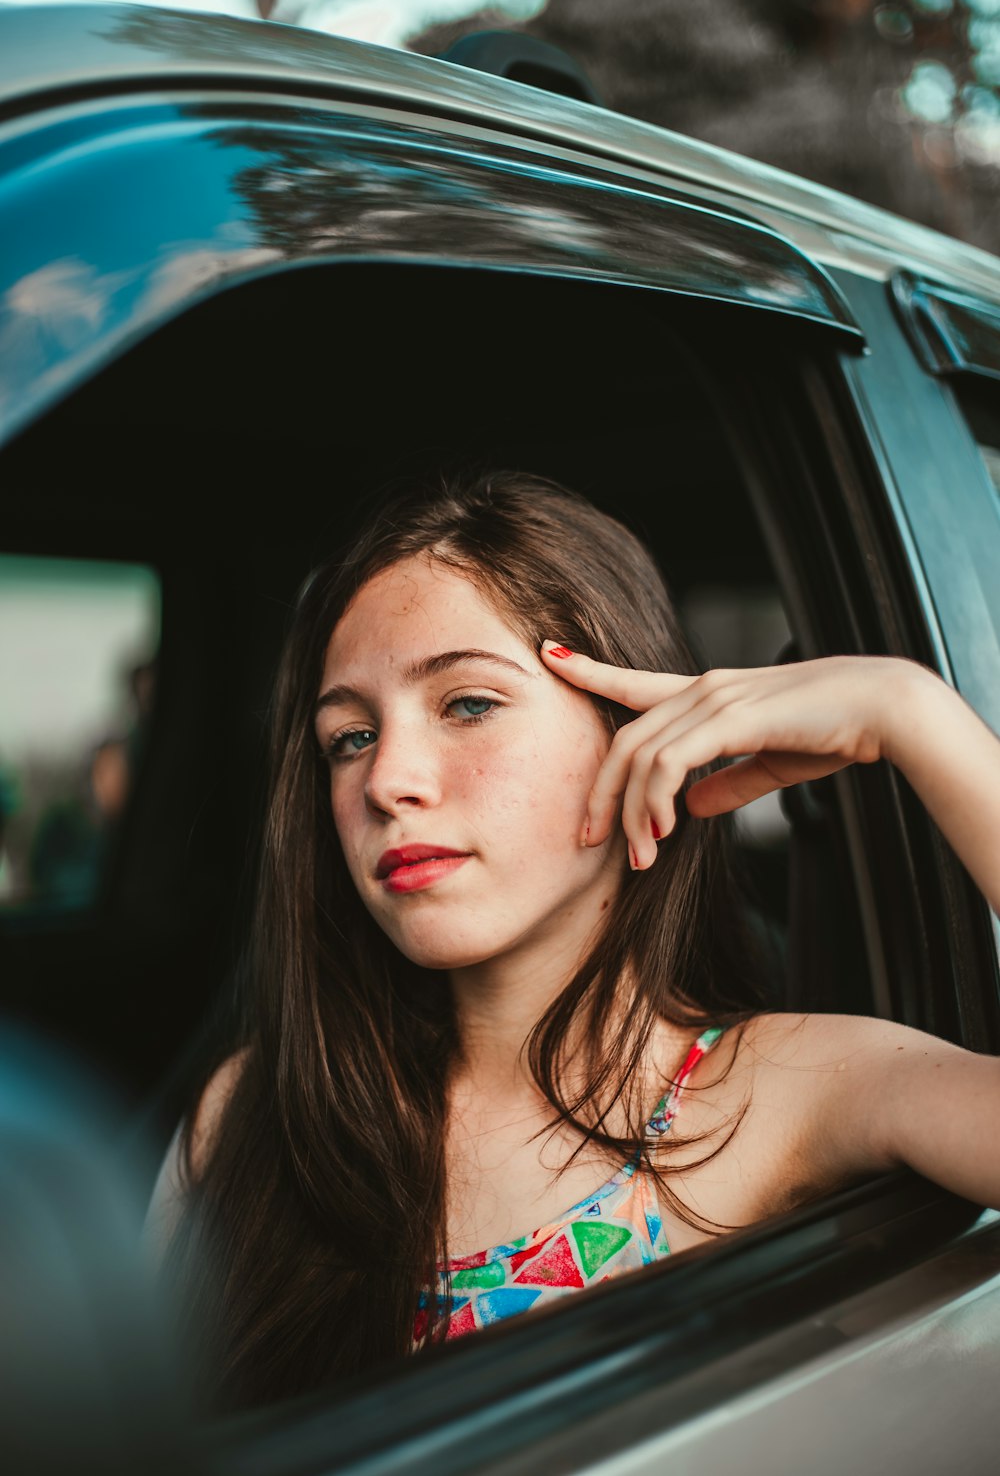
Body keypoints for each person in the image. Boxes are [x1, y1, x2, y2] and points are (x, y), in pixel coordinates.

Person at [149, 470, 1000, 1413]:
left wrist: (908, 713)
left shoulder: (797, 1090)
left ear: (640, 733)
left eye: (467, 705)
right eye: (348, 737)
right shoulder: (252, 1112)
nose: (387, 779)